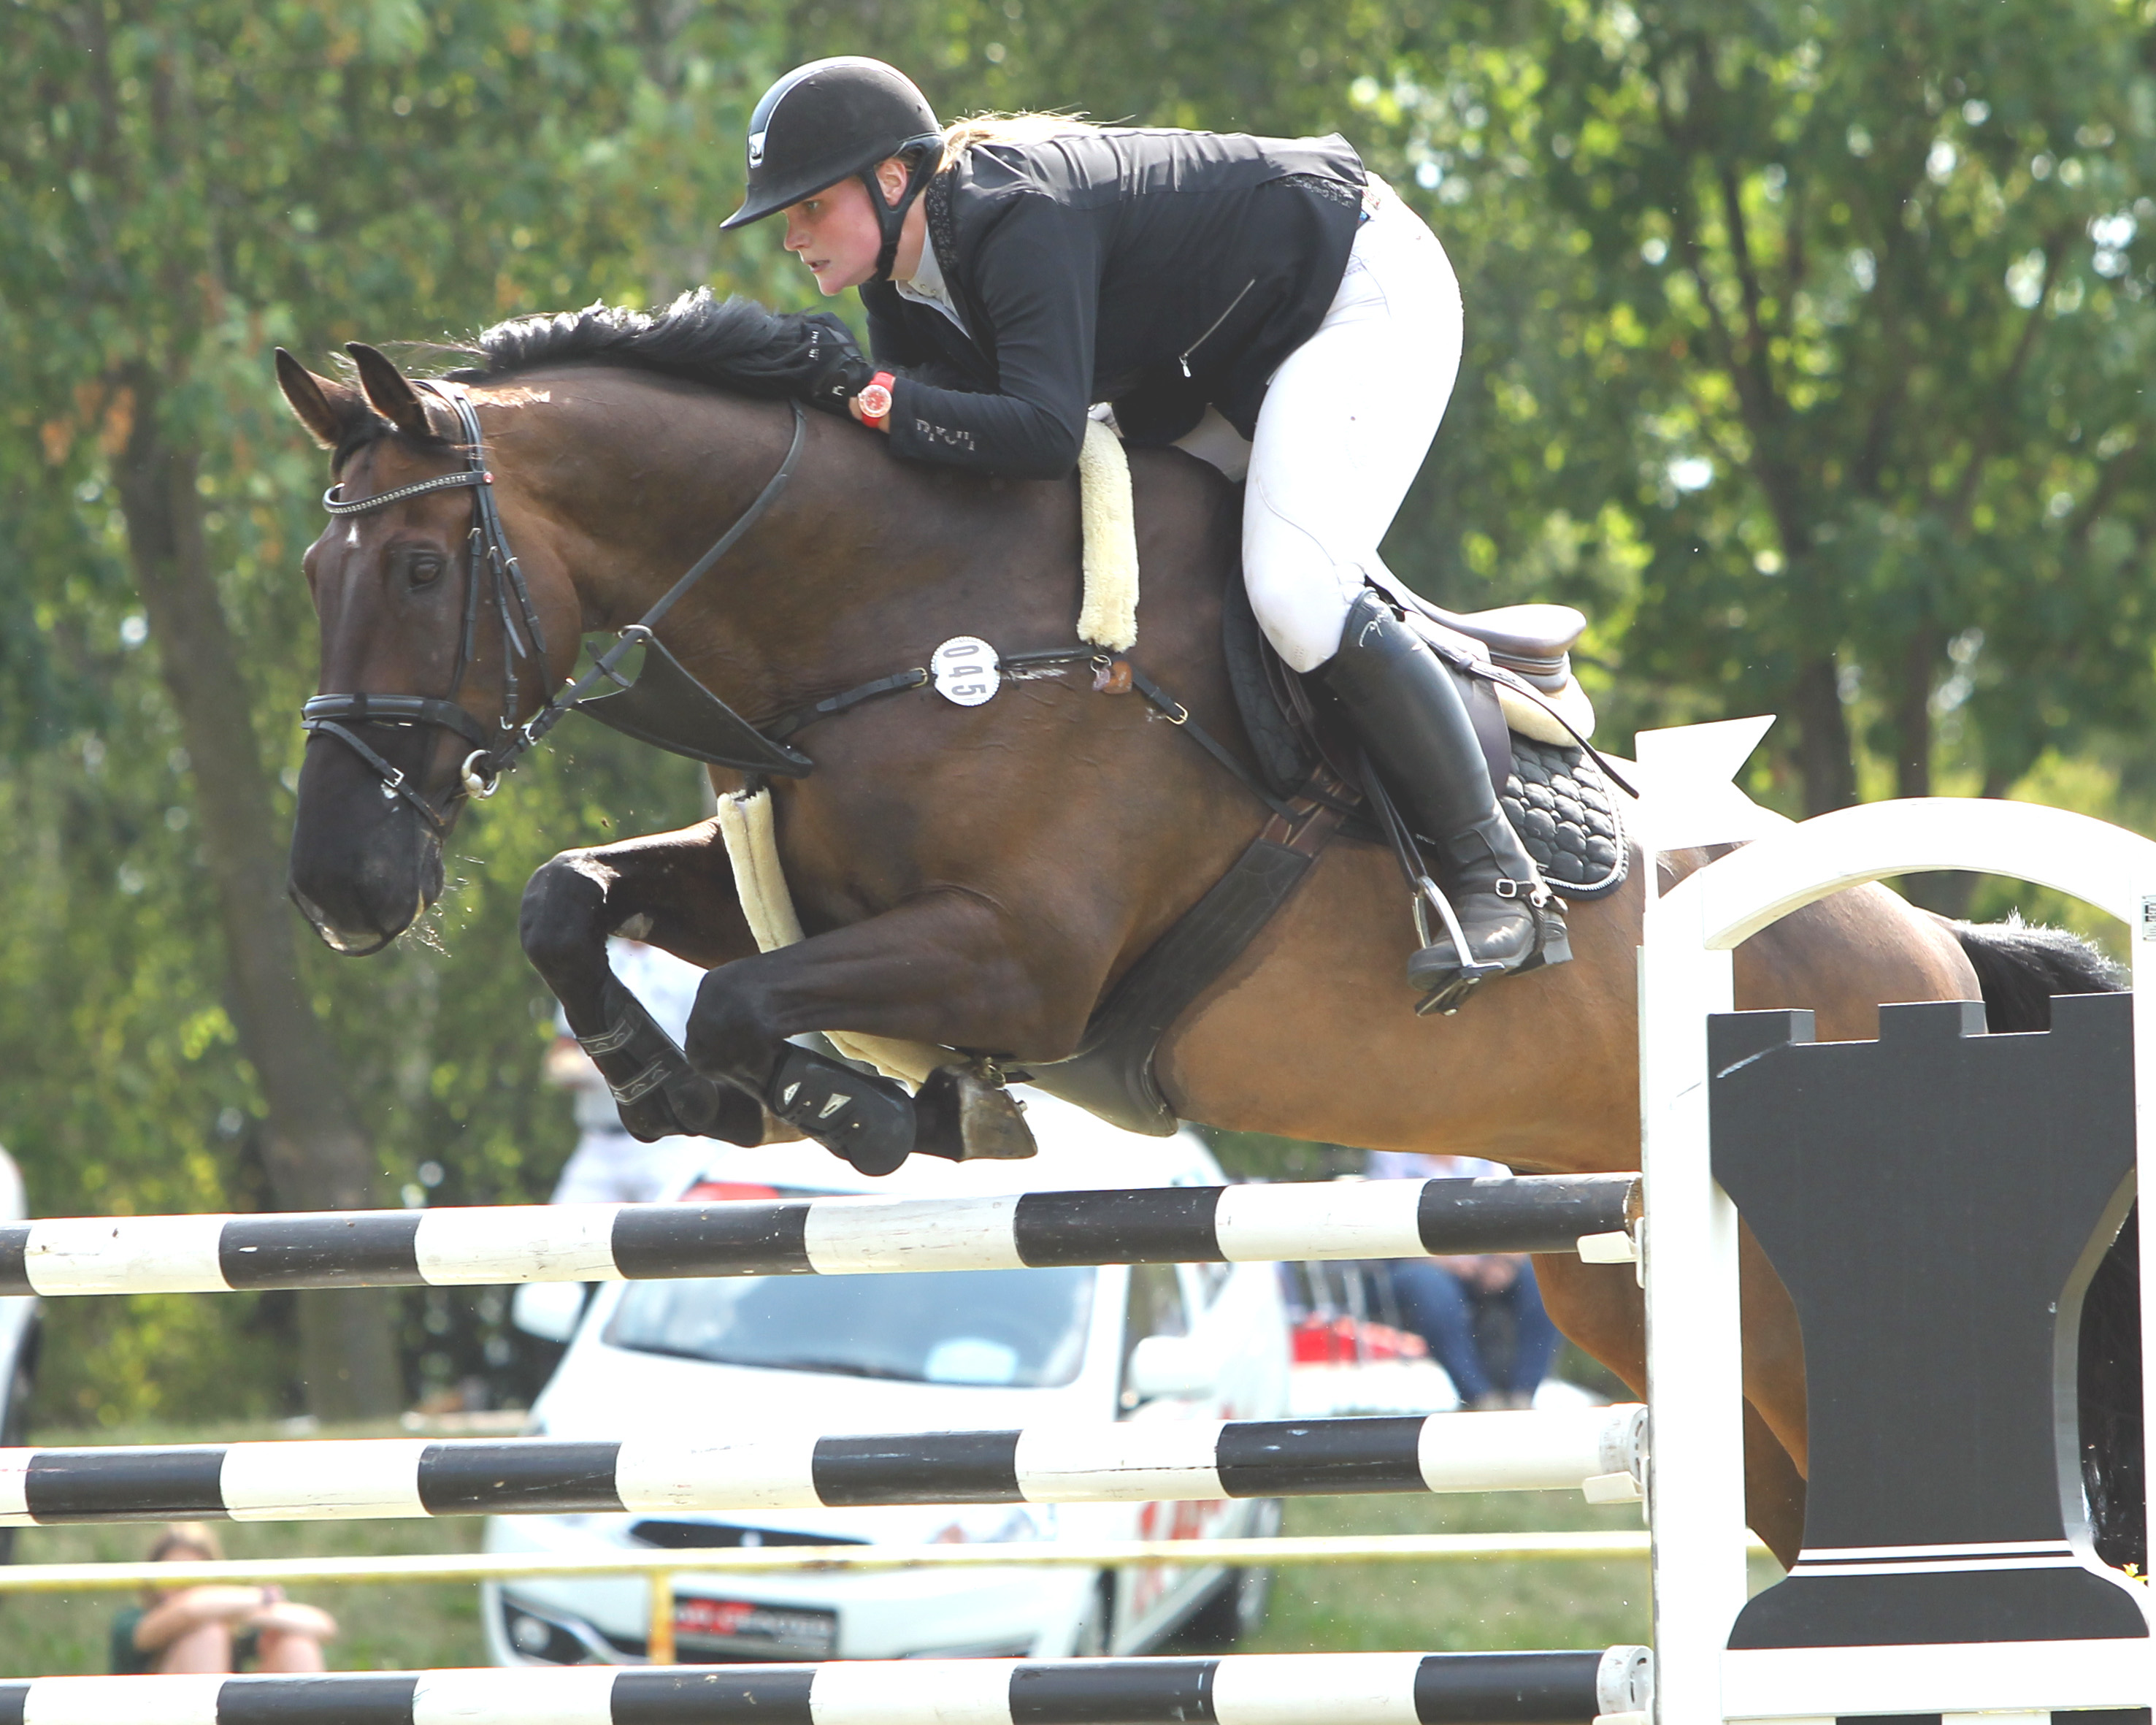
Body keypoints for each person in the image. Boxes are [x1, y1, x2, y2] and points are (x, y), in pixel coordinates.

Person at [719, 58, 1562, 1006]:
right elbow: (943, 469)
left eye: (807, 206)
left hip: (1355, 293)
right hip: (1226, 361)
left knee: (1290, 589)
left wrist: (866, 396)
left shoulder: (1010, 214)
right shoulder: (898, 286)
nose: (792, 236)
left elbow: (1038, 431)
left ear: (890, 178)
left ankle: (1503, 879)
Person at [1367, 1150, 1560, 1410]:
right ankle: (1478, 1396)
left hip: (1492, 1261)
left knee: (1545, 1283)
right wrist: (1450, 1261)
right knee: (1429, 1290)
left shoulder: (1489, 1150)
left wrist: (1504, 1262)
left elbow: (1520, 1214)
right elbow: (1386, 1228)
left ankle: (1523, 1394)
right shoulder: (1392, 1153)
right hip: (1423, 1263)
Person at [542, 937, 707, 1204]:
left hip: (672, 1142)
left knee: (674, 1235)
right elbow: (561, 1051)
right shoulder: (587, 965)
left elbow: (709, 1054)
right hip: (600, 1142)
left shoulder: (690, 966)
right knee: (561, 1235)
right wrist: (577, 1069)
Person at [109, 1523, 337, 1675]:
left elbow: (323, 1626)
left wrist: (247, 1607)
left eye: (195, 1574)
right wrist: (260, 1597)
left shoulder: (232, 1619)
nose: (184, 1583)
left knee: (297, 1645)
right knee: (207, 1634)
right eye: (173, 1574)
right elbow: (189, 1610)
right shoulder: (131, 1622)